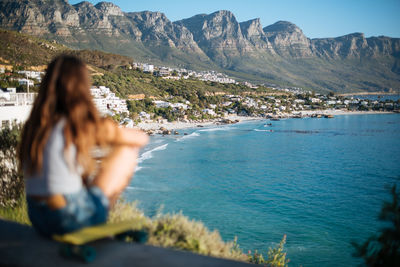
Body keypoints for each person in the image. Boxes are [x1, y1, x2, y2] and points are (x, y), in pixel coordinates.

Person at [17, 55, 148, 237]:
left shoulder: (34, 127)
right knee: (127, 150)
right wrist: (110, 132)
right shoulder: (82, 125)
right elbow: (140, 139)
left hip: (38, 218)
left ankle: (93, 212)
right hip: (70, 218)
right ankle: (99, 219)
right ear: (82, 87)